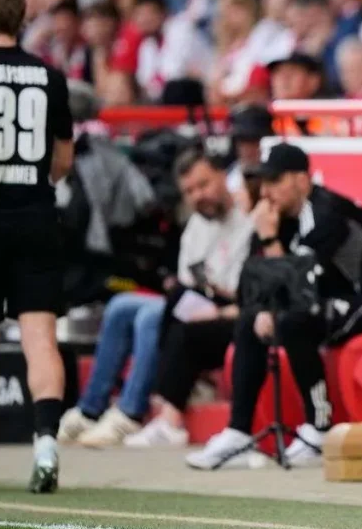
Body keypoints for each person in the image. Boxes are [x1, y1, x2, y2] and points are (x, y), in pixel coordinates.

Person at [185, 143, 362, 469]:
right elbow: (251, 285)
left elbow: (298, 287)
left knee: (295, 321)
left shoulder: (330, 214)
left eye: (275, 181)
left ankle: (319, 429)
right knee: (252, 319)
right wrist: (262, 303)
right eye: (263, 183)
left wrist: (268, 238)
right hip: (336, 301)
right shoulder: (276, 214)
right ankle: (239, 431)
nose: (266, 192)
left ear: (301, 181)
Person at [62, 148, 254, 448]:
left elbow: (248, 293)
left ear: (221, 176)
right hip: (196, 304)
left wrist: (213, 305)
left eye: (204, 185)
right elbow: (187, 285)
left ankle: (130, 411)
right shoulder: (195, 227)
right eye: (189, 191)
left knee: (151, 316)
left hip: (229, 311)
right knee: (121, 306)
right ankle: (91, 408)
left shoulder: (248, 219)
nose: (198, 196)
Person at [0, 0, 75, 493]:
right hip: (36, 214)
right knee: (41, 338)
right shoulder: (51, 77)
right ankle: (45, 445)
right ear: (21, 19)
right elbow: (62, 160)